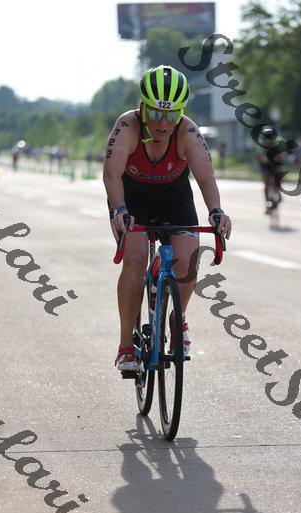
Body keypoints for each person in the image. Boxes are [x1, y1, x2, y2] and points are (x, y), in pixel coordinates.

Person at [103, 65, 232, 372]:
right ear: (141, 107)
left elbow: (206, 176)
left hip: (174, 198)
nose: (163, 123)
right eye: (155, 114)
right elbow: (111, 174)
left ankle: (178, 318)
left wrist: (216, 210)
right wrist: (119, 210)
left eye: (172, 115)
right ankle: (126, 347)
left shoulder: (187, 131)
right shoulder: (127, 125)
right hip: (132, 200)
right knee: (135, 260)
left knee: (187, 260)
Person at [257, 125, 286, 215]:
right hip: (265, 162)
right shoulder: (260, 143)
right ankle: (267, 203)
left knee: (280, 173)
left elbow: (283, 155)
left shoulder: (279, 141)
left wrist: (279, 157)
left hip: (277, 160)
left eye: (270, 140)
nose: (268, 142)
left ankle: (279, 190)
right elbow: (262, 159)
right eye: (266, 141)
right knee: (266, 181)